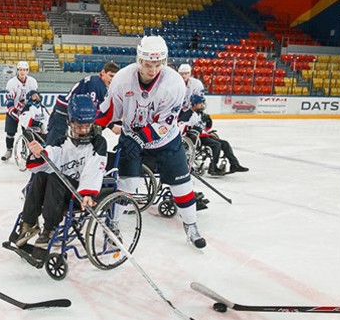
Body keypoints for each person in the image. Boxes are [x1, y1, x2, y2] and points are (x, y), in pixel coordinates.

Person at [96, 35, 206, 248]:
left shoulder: (174, 83)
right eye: (148, 64)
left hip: (166, 141)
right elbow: (109, 111)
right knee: (126, 184)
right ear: (140, 60)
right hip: (132, 138)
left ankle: (191, 226)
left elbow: (165, 123)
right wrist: (92, 129)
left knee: (182, 185)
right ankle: (114, 223)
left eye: (157, 64)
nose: (153, 69)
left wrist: (138, 137)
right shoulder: (122, 79)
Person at [12, 94, 107, 248]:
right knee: (41, 176)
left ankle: (50, 229)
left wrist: (88, 193)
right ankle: (29, 224)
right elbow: (49, 156)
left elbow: (95, 167)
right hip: (58, 190)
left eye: (87, 126)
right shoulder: (62, 141)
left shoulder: (98, 143)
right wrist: (39, 153)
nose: (83, 130)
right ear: (69, 122)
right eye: (78, 126)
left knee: (56, 179)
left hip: (80, 192)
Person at [46, 61, 118, 145]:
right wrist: (111, 125)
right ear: (103, 72)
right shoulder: (95, 84)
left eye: (115, 77)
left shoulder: (98, 83)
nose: (112, 79)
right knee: (55, 144)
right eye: (111, 76)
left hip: (69, 111)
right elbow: (90, 111)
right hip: (64, 112)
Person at [180, 95, 249, 176]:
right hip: (195, 138)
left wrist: (207, 130)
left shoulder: (199, 114)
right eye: (200, 103)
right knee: (216, 145)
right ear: (194, 104)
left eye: (202, 103)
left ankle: (235, 165)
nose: (202, 105)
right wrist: (200, 132)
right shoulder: (188, 115)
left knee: (225, 143)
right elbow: (183, 127)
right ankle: (213, 168)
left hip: (203, 135)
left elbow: (203, 127)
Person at [1, 60, 38, 161]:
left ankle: (25, 151)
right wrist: (13, 110)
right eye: (20, 70)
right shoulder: (11, 83)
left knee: (27, 132)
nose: (22, 72)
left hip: (26, 112)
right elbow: (9, 100)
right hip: (14, 111)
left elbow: (35, 97)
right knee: (10, 132)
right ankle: (9, 150)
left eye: (24, 70)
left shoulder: (32, 82)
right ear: (17, 71)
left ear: (27, 71)